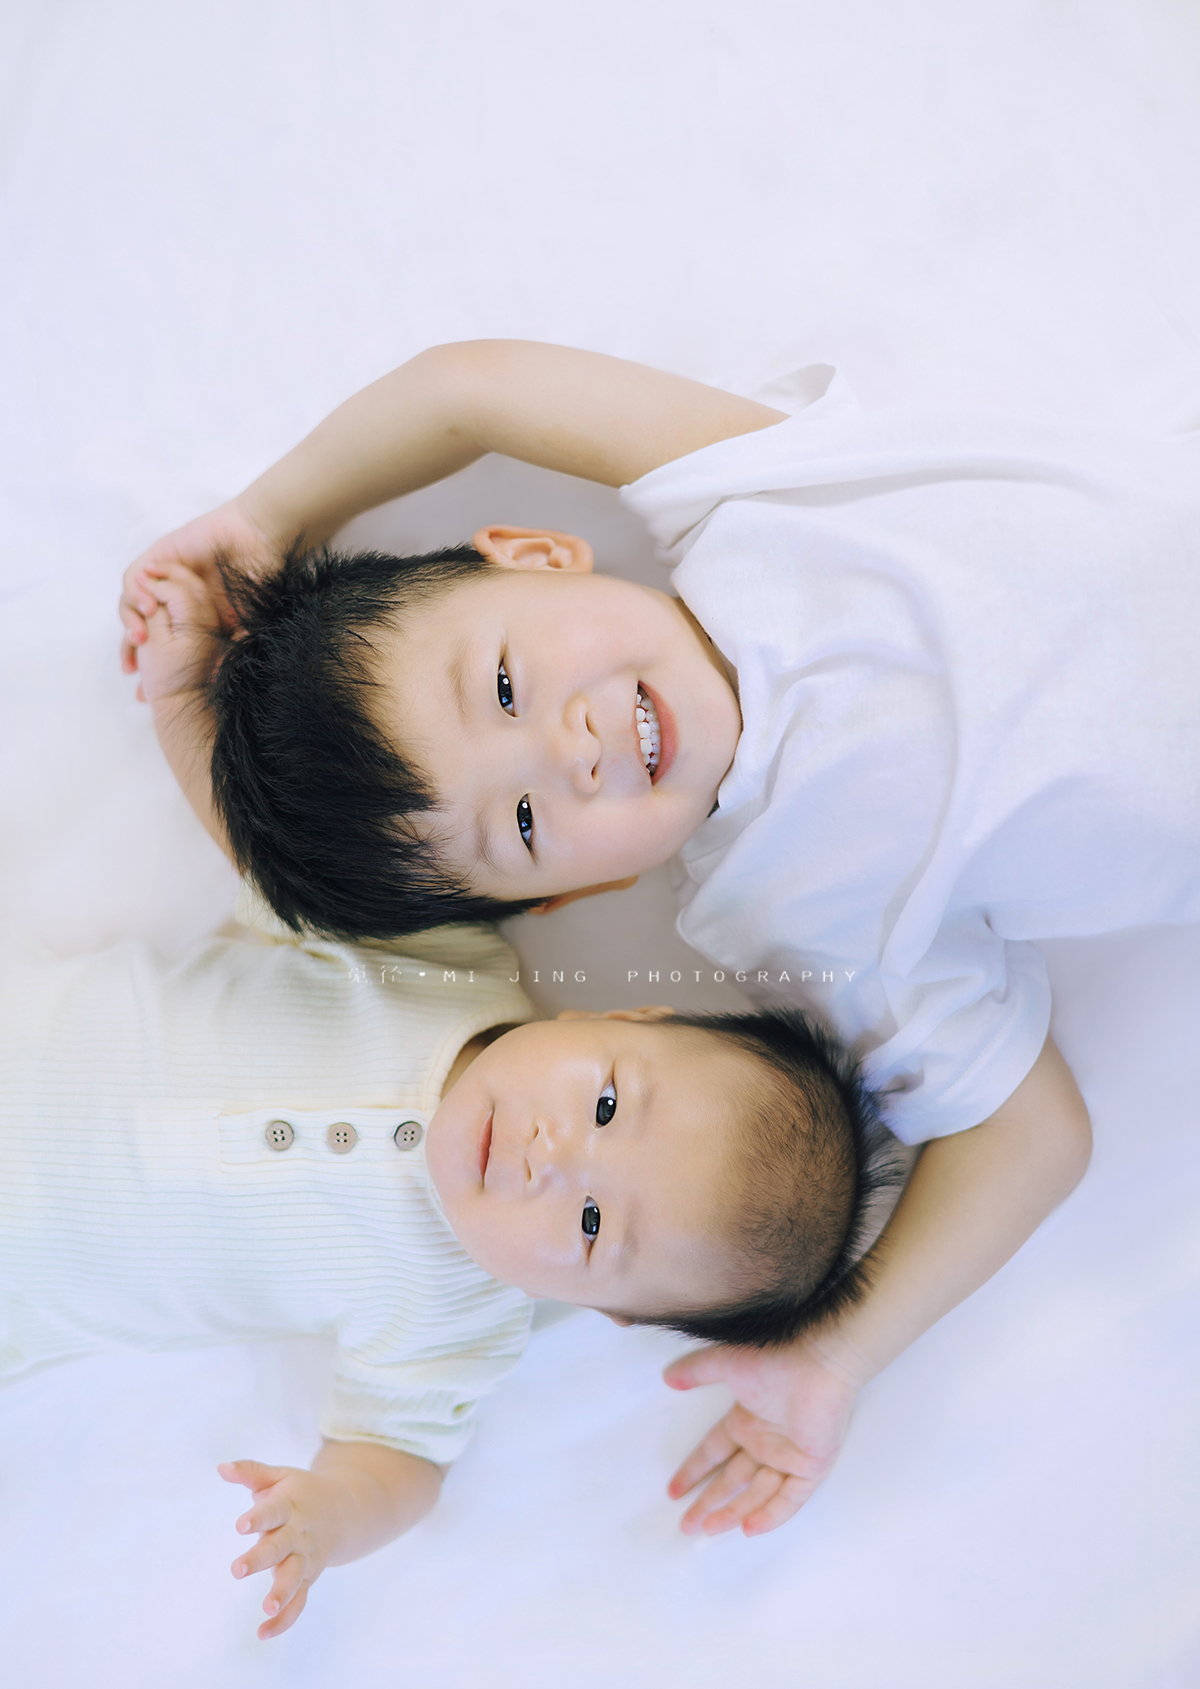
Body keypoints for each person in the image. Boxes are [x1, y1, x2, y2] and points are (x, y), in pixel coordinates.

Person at [120, 336, 1200, 1532]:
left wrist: (265, 518)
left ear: (536, 555)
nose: (568, 749)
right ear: (571, 896)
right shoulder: (793, 905)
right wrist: (835, 1356)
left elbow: (472, 389)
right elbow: (1031, 1134)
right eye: (524, 821)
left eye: (506, 686)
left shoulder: (753, 498)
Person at [1, 881, 884, 1639]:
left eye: (589, 1223)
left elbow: (397, 1455)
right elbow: (305, 847)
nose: (549, 1154)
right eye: (608, 1105)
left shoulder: (458, 1316)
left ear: (604, 1309)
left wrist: (330, 1515)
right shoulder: (436, 956)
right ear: (618, 1017)